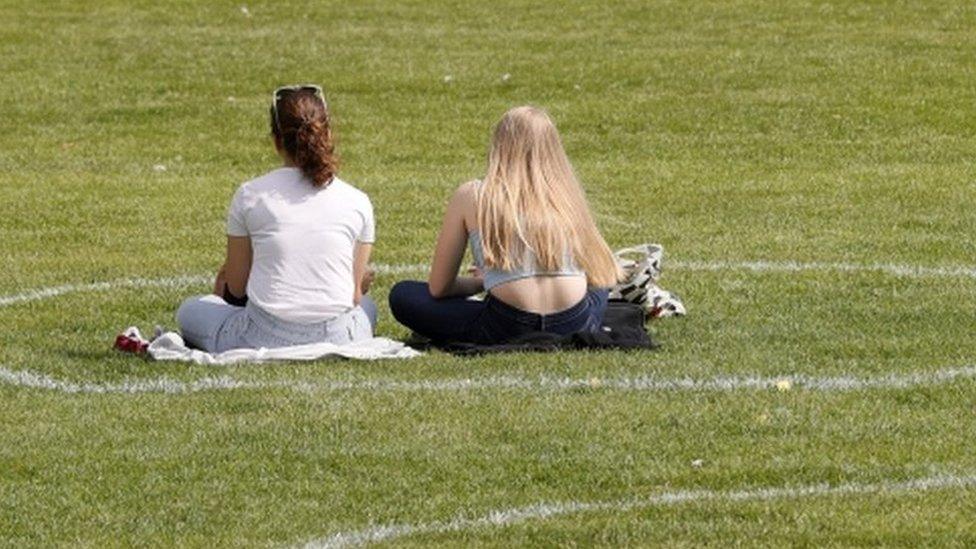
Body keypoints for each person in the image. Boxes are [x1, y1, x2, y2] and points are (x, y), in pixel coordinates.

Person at [388, 106, 620, 345]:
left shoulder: (473, 195)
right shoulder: (567, 196)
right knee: (600, 287)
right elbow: (600, 273)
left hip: (507, 325)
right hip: (573, 322)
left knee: (403, 294)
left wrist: (480, 281)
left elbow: (439, 288)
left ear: (499, 146)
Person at [176, 85, 376, 352]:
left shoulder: (250, 195)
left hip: (262, 336)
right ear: (327, 133)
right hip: (340, 336)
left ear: (276, 139)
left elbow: (235, 287)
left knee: (190, 310)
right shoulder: (358, 200)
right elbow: (354, 296)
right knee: (368, 308)